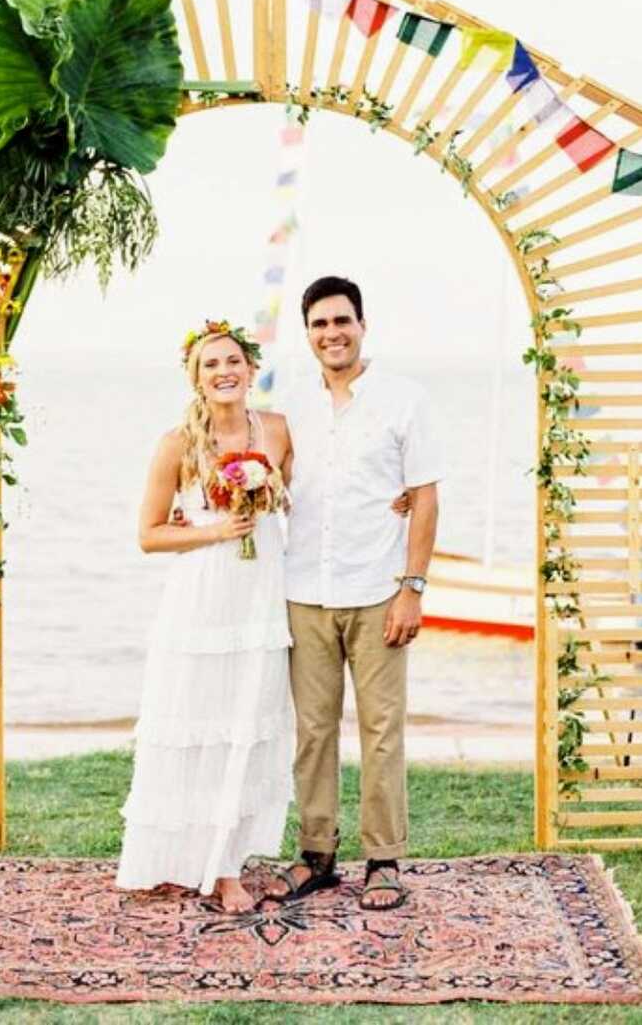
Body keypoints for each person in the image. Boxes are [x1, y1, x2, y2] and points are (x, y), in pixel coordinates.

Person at [268, 276, 443, 911]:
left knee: (382, 729)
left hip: (377, 592)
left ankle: (384, 860)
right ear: (307, 332)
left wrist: (411, 589)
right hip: (303, 592)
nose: (332, 333)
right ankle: (316, 854)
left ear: (362, 325)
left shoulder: (403, 399)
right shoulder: (291, 405)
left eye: (342, 321)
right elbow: (260, 476)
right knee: (312, 730)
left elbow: (423, 496)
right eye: (319, 324)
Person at [115, 321, 294, 913]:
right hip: (201, 596)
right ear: (196, 377)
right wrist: (220, 529)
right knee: (197, 722)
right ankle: (194, 862)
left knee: (246, 720)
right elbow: (148, 534)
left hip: (259, 594)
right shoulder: (177, 444)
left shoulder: (278, 431)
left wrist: (395, 499)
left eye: (234, 361)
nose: (225, 372)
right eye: (212, 364)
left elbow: (307, 496)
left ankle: (227, 861)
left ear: (250, 368)